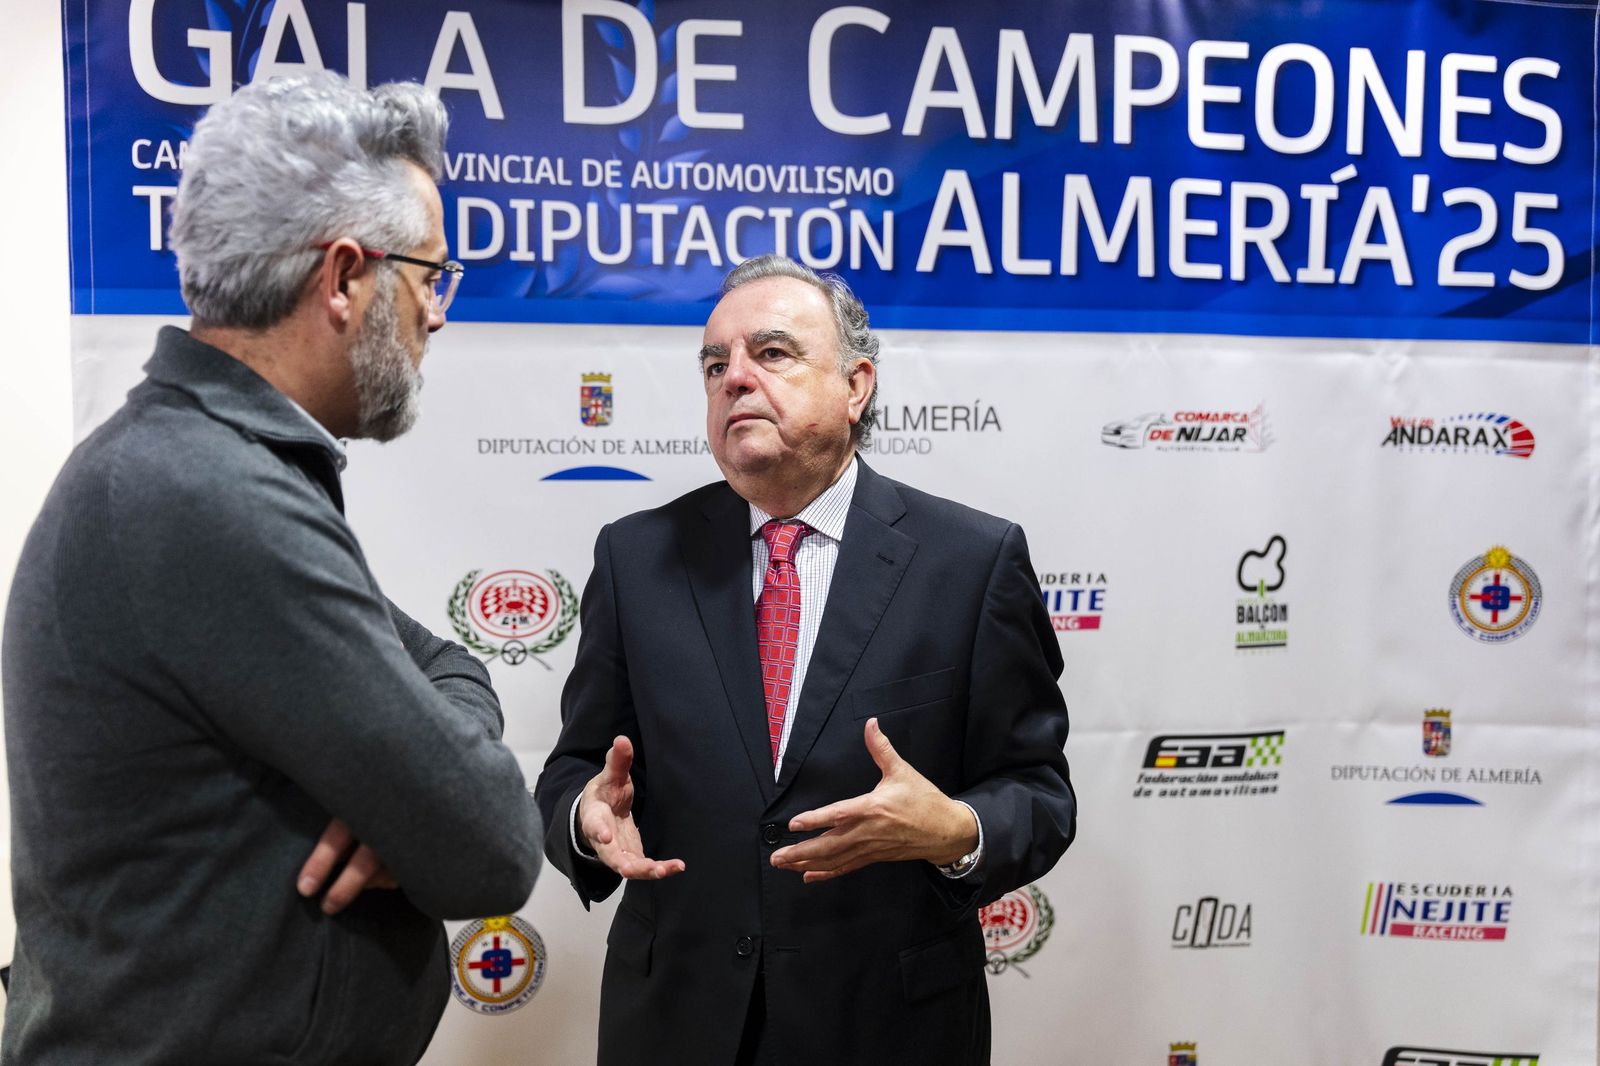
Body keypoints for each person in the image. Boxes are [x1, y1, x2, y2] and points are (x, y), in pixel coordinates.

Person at [1, 73, 541, 1065]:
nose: (436, 315)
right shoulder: (205, 495)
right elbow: (494, 846)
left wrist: (408, 804)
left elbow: (447, 665)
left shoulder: (205, 466)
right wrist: (422, 808)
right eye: (429, 276)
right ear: (343, 278)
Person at [535, 255, 1075, 1065]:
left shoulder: (972, 561)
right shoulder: (635, 558)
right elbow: (577, 765)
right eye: (714, 365)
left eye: (772, 353)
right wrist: (586, 816)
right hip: (678, 1022)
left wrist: (955, 830)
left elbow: (1038, 793)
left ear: (856, 386)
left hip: (888, 1027)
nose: (734, 378)